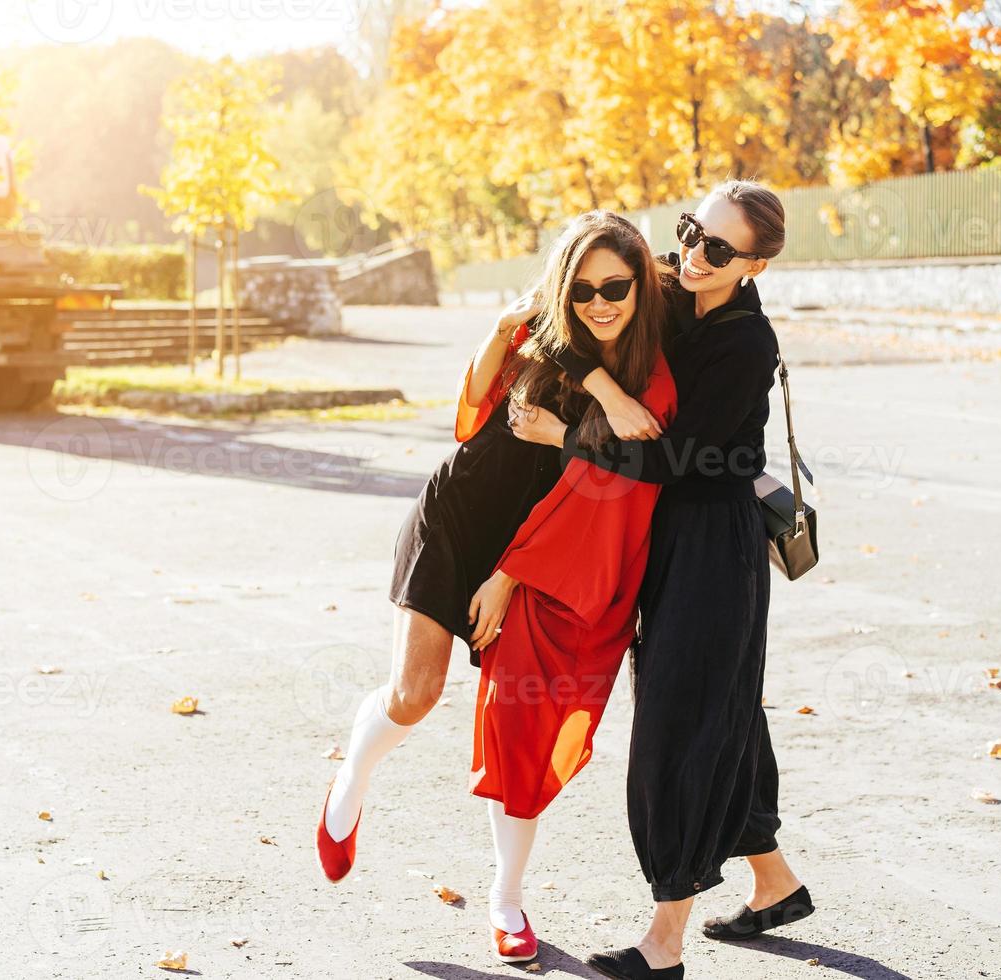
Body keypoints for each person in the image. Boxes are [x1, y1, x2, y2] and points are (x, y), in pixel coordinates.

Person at [316, 211, 676, 964]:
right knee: (414, 694)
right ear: (561, 289)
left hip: (532, 553)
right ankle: (351, 777)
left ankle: (505, 900)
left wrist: (511, 574)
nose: (600, 302)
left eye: (616, 286)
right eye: (581, 290)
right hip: (456, 520)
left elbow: (611, 485)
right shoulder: (539, 334)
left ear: (641, 284)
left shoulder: (651, 371)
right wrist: (501, 332)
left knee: (524, 730)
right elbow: (473, 412)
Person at [510, 181, 814, 980]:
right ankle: (776, 884)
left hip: (715, 547)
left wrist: (569, 436)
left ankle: (665, 942)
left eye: (717, 248)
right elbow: (555, 318)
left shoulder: (745, 344)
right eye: (690, 232)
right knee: (726, 714)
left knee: (679, 726)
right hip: (665, 538)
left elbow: (687, 460)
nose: (694, 253)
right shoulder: (670, 292)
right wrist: (605, 393)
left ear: (757, 264)